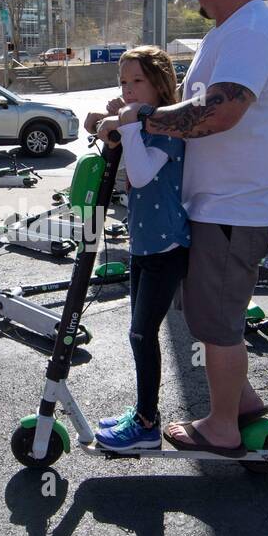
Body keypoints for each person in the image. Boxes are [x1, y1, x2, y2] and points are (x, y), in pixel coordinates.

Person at [92, 0, 268, 457]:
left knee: (218, 322)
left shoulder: (250, 31)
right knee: (208, 311)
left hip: (236, 205)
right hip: (218, 204)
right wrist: (132, 117)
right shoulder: (231, 31)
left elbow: (222, 109)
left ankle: (222, 427)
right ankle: (242, 401)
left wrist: (146, 117)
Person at [84, 46, 188, 451]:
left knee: (143, 334)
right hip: (144, 244)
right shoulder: (142, 124)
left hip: (168, 246)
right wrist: (107, 122)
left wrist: (126, 123)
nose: (128, 89)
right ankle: (145, 412)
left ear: (160, 84)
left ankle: (146, 424)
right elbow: (120, 153)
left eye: (136, 81)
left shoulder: (170, 128)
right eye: (123, 82)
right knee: (137, 335)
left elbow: (142, 177)